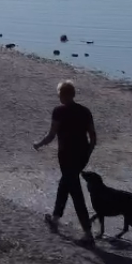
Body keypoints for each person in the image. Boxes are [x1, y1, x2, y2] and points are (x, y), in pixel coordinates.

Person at [33, 79, 97, 244]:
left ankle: (87, 232)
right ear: (73, 94)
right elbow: (93, 137)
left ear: (62, 95)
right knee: (65, 183)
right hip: (81, 155)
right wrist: (88, 153)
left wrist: (39, 144)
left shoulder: (59, 111)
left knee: (75, 192)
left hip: (66, 156)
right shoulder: (85, 111)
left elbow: (52, 134)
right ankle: (55, 217)